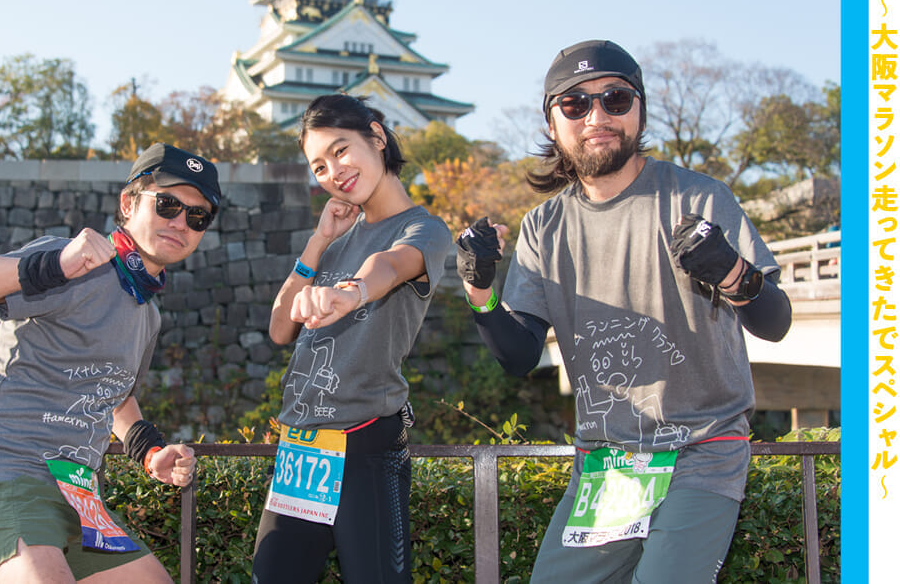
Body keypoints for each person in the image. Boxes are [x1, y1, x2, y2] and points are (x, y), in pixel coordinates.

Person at [456, 40, 792, 583]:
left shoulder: (698, 199)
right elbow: (518, 354)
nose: (597, 117)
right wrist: (479, 290)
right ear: (552, 121)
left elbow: (775, 322)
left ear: (639, 109)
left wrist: (732, 271)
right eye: (575, 105)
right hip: (609, 465)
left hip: (701, 449)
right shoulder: (544, 227)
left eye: (615, 99)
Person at [0, 143, 222, 583]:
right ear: (129, 203)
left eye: (197, 216)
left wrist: (149, 452)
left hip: (77, 493)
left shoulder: (147, 312)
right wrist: (54, 264)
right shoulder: (73, 262)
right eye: (167, 204)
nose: (180, 222)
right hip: (7, 475)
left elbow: (112, 394)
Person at [250, 94, 451, 583]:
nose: (332, 171)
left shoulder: (424, 229)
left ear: (377, 137)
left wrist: (353, 291)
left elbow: (389, 265)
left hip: (363, 444)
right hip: (301, 448)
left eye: (340, 150)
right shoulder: (336, 239)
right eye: (318, 166)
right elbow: (280, 329)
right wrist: (318, 242)